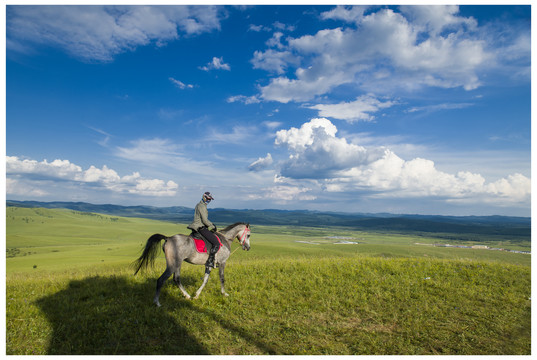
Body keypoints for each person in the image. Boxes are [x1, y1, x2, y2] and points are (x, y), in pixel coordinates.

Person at [187, 192, 220, 269]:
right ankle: (210, 261)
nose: (209, 200)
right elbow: (205, 220)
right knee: (216, 242)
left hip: (198, 227)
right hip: (200, 227)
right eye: (208, 199)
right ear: (204, 197)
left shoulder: (201, 205)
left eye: (210, 199)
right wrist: (212, 226)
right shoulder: (202, 206)